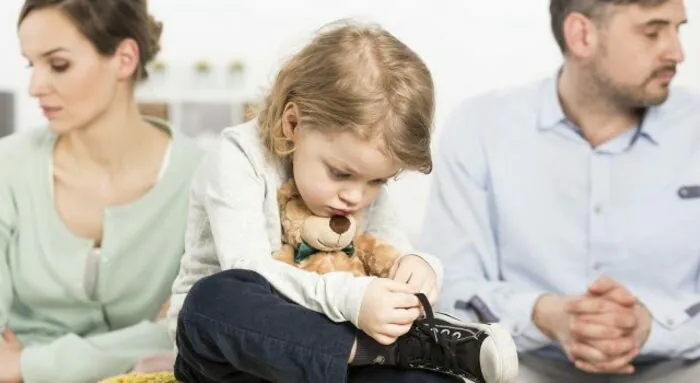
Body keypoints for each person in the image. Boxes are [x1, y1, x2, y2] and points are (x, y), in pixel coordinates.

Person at [167, 21, 520, 383]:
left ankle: (411, 352)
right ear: (293, 124)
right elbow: (249, 269)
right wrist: (353, 299)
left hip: (340, 359)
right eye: (340, 174)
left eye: (378, 181)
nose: (356, 196)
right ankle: (390, 352)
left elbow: (387, 246)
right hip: (236, 358)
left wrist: (419, 268)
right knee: (213, 299)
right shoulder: (237, 156)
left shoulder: (359, 182)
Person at [421, 0, 700, 381]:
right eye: (652, 32)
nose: (677, 52)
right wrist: (544, 314)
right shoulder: (480, 129)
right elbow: (446, 285)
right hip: (520, 368)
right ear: (582, 35)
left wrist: (651, 325)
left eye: (678, 29)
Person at [0, 1, 202, 382]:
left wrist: (28, 363)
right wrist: (140, 341)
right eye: (31, 64)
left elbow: (194, 331)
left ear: (124, 59)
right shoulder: (7, 167)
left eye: (58, 65)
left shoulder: (201, 178)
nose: (34, 87)